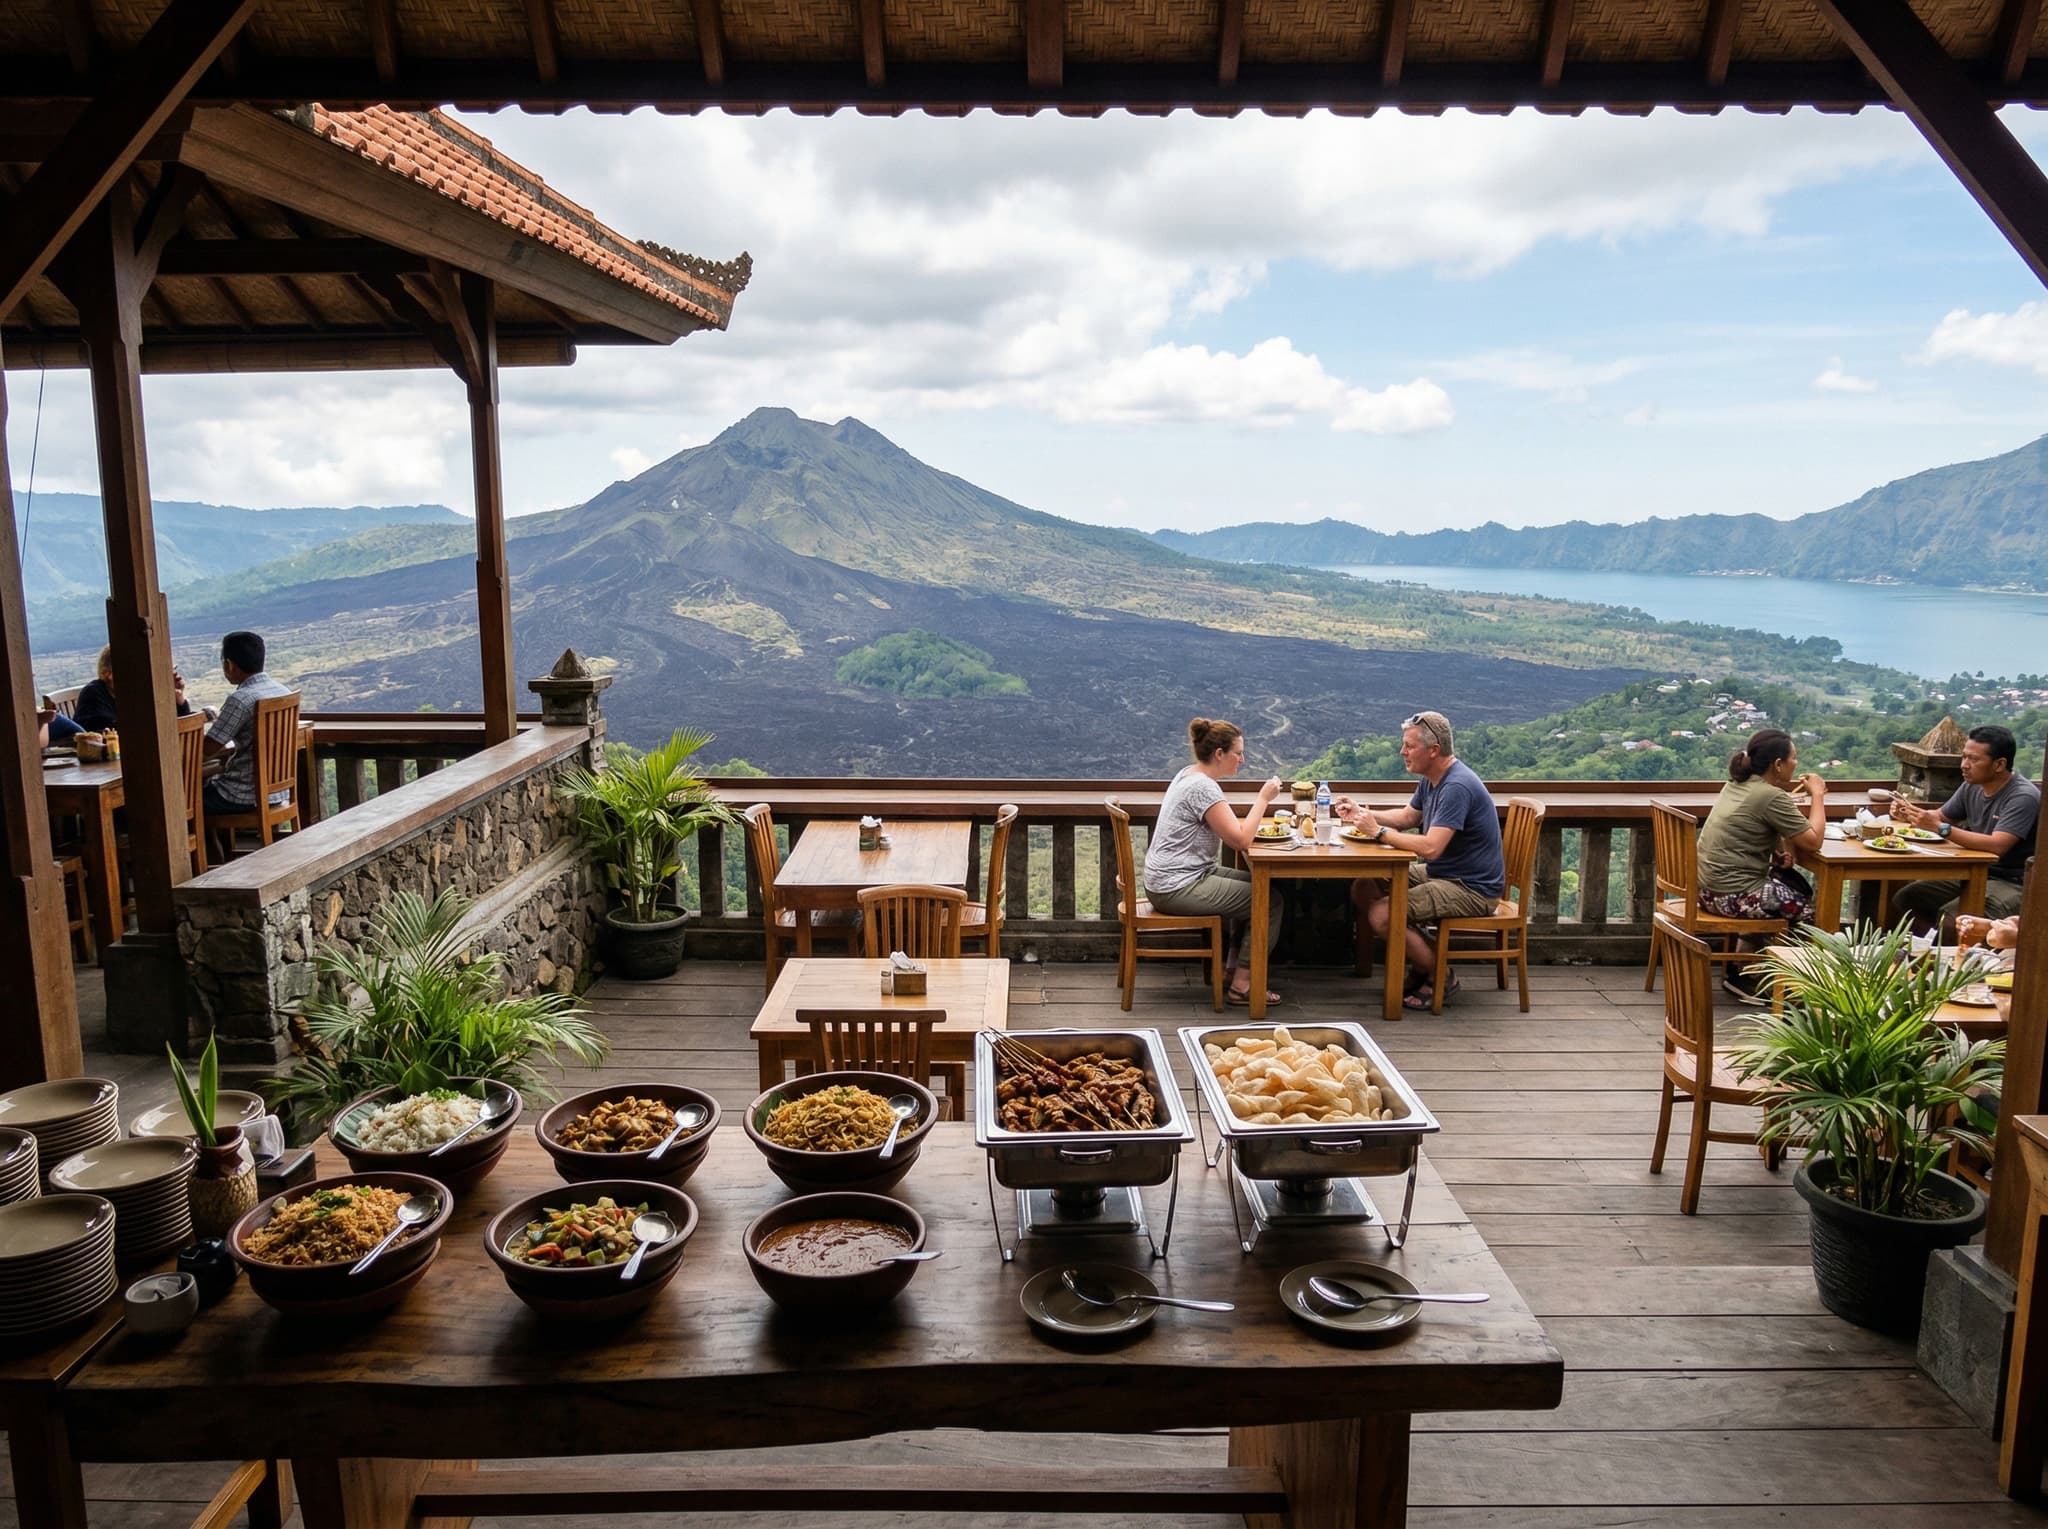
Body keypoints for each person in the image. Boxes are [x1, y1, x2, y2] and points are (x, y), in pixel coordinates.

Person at [1334, 710, 1503, 1012]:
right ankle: (1423, 961)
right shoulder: (1433, 779)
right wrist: (1363, 814)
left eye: (1409, 746)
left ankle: (1440, 974)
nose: (1403, 752)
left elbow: (1431, 847)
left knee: (1382, 915)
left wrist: (1378, 832)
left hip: (1471, 888)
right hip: (1445, 873)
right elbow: (1408, 817)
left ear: (1433, 750)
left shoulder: (1456, 786)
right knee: (1364, 886)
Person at [1142, 717, 1286, 1007]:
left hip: (1175, 877)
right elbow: (1241, 840)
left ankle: (1232, 969)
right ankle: (1242, 986)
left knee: (1262, 886)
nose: (1242, 760)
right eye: (1238, 753)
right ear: (1219, 754)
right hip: (1176, 885)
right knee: (1269, 901)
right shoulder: (1202, 788)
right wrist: (1263, 799)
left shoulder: (1188, 774)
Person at [1694, 728, 1828, 1005]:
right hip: (1732, 896)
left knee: (1785, 890)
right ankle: (1790, 988)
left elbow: (1749, 829)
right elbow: (1813, 840)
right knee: (1807, 913)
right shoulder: (1771, 796)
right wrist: (1817, 795)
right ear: (1778, 764)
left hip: (1707, 891)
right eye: (1793, 758)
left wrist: (1776, 853)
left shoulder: (1737, 784)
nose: (1796, 764)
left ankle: (1744, 969)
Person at [1892, 724, 2039, 934]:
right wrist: (1909, 814)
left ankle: (1958, 952)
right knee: (1908, 898)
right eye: (1964, 757)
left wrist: (1941, 828)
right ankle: (1924, 948)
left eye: (1974, 759)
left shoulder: (2023, 796)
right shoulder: (1972, 785)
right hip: (1975, 871)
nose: (1964, 765)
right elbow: (1941, 816)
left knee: (1952, 919)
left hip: (2012, 881)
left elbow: (1998, 845)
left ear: (1999, 764)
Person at [202, 630, 292, 826]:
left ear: (229, 664)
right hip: (276, 792)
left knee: (179, 800)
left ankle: (199, 846)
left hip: (240, 795)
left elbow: (207, 749)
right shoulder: (282, 691)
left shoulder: (241, 699)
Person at [72, 644, 191, 733]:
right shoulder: (93, 694)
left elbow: (180, 726)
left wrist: (178, 698)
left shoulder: (135, 695)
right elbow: (114, 731)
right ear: (109, 675)